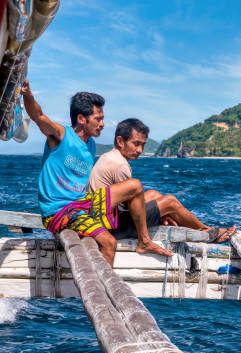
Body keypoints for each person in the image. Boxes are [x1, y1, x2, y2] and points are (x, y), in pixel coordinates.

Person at [21, 80, 173, 265]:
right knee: (109, 243)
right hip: (59, 212)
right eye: (98, 119)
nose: (102, 124)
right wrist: (28, 95)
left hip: (82, 204)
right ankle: (103, 291)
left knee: (136, 188)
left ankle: (145, 238)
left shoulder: (91, 145)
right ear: (81, 119)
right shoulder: (61, 136)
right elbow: (39, 116)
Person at [86, 118, 236, 242]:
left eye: (143, 145)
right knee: (170, 201)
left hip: (102, 218)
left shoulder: (110, 157)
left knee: (153, 193)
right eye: (136, 144)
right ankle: (208, 231)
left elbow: (126, 202)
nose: (139, 150)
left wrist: (160, 212)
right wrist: (162, 213)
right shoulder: (120, 165)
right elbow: (130, 208)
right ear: (120, 141)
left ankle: (200, 227)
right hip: (109, 228)